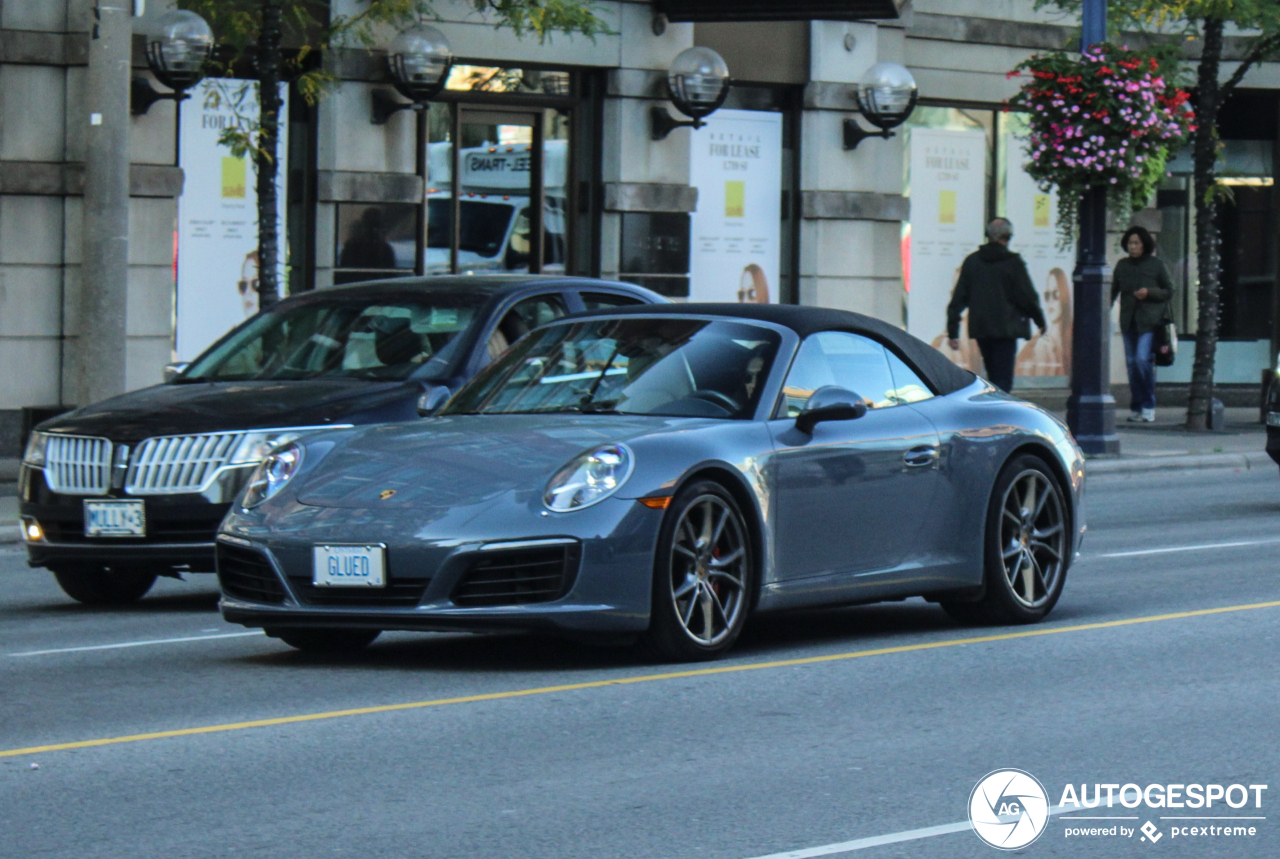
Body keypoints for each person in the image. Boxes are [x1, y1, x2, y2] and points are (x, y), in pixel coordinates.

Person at [946, 218, 1046, 393]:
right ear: (1007, 236)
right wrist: (1040, 320)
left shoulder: (972, 261)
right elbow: (1027, 296)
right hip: (1007, 328)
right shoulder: (1013, 263)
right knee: (1003, 376)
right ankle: (1001, 410)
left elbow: (959, 298)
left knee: (992, 372)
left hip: (982, 327)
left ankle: (994, 405)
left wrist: (952, 330)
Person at [1111, 225, 1173, 422]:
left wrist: (1149, 293)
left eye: (1136, 243)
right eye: (1130, 243)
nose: (1133, 246)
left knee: (1141, 360)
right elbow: (1112, 292)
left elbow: (1168, 290)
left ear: (1144, 244)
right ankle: (1137, 406)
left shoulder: (1156, 264)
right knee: (1131, 364)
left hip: (1149, 321)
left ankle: (1148, 404)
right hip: (1129, 321)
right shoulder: (1122, 266)